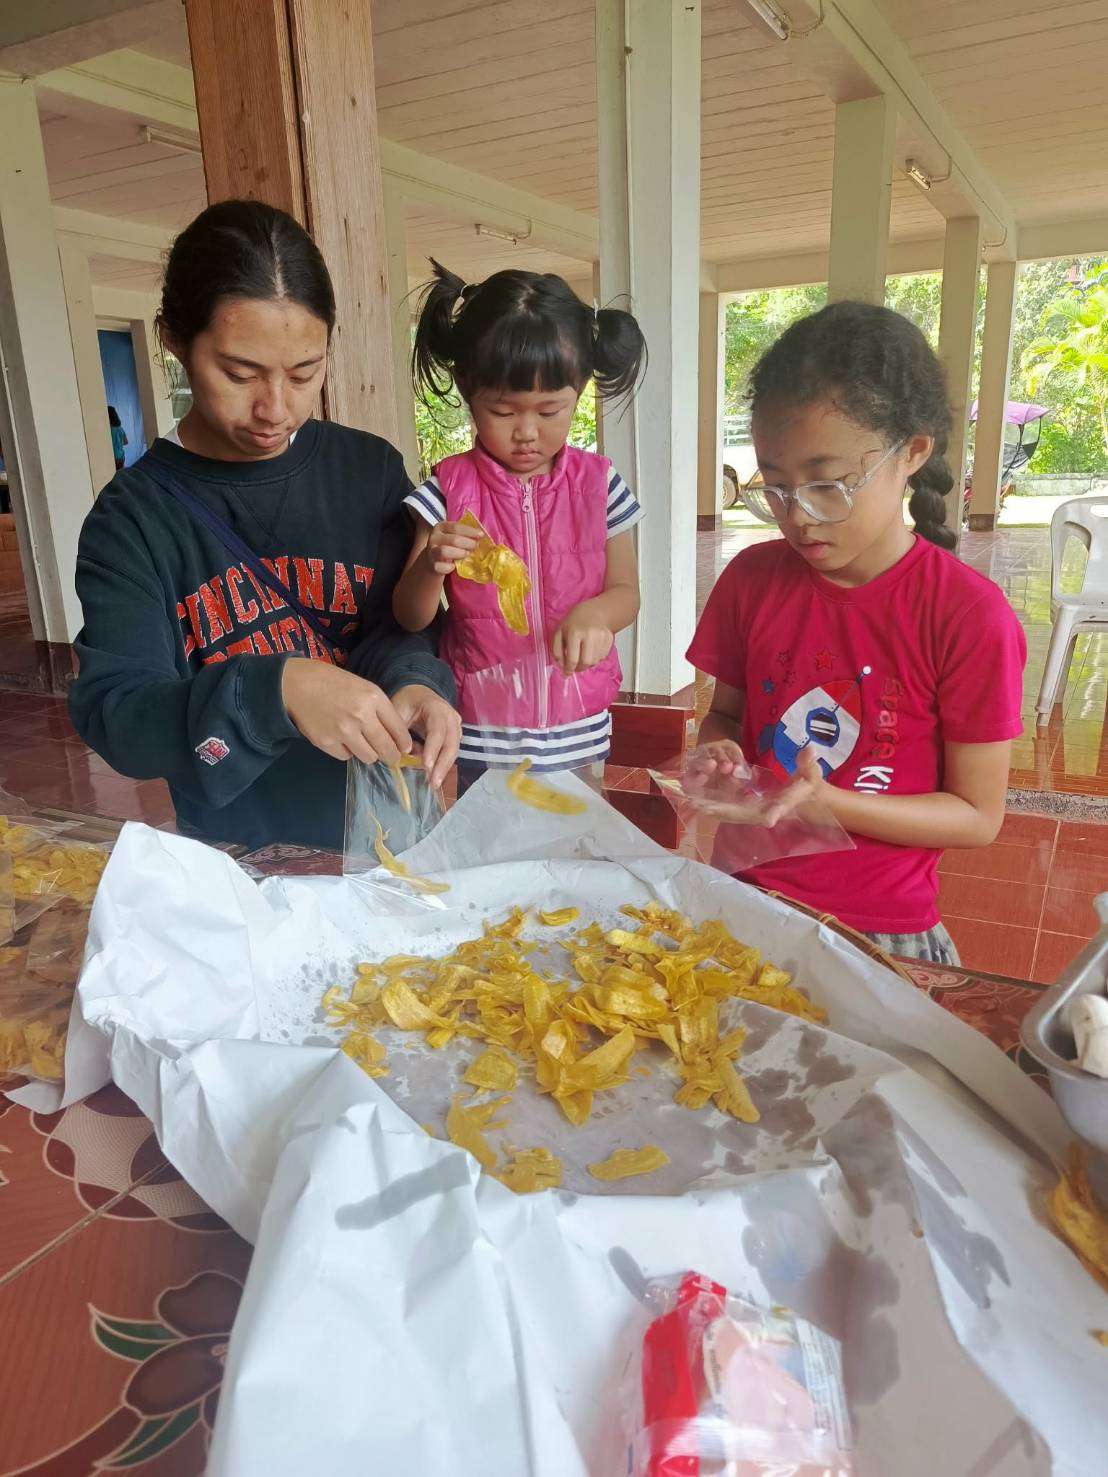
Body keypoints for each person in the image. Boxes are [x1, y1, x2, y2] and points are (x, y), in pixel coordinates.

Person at [69, 201, 459, 850]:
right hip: (245, 853)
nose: (275, 408)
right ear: (173, 339)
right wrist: (274, 688)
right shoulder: (132, 520)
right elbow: (119, 715)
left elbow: (398, 629)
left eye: (305, 372)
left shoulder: (367, 470)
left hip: (391, 826)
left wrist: (417, 685)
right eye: (239, 373)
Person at [687, 301, 1026, 964]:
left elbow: (978, 816)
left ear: (912, 453)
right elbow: (725, 715)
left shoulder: (963, 615)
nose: (798, 517)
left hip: (876, 930)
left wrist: (829, 802)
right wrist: (719, 757)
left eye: (828, 485)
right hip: (740, 903)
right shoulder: (753, 580)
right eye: (777, 487)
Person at [393, 261, 646, 787]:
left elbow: (627, 593)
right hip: (482, 726)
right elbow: (411, 616)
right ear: (467, 389)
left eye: (551, 410)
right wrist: (430, 567)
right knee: (489, 863)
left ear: (579, 390)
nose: (527, 433)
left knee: (575, 853)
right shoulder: (447, 491)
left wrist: (597, 614)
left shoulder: (600, 487)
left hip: (578, 718)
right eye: (504, 412)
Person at [107, 406, 128, 470]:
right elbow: (126, 442)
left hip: (113, 459)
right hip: (121, 457)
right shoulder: (120, 428)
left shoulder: (108, 430)